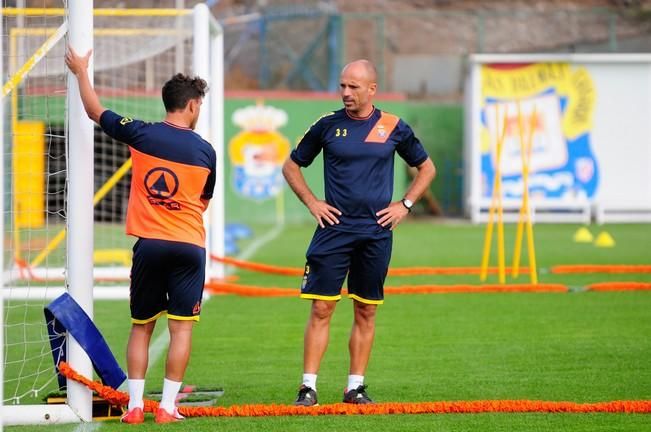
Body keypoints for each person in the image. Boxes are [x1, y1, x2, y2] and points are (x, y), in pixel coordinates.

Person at [65, 47, 216, 424]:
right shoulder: (207, 152)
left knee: (142, 326)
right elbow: (203, 201)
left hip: (148, 244)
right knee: (181, 329)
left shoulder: (142, 134)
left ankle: (133, 407)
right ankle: (167, 408)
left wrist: (81, 71)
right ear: (194, 106)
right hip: (188, 245)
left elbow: (95, 112)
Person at [282, 59, 436, 406]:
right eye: (342, 86)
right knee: (322, 308)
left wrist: (405, 205)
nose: (346, 93)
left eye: (353, 87)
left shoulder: (394, 126)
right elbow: (291, 165)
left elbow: (426, 168)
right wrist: (312, 202)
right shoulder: (325, 125)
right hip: (333, 231)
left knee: (366, 310)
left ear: (372, 89)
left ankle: (356, 387)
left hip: (376, 234)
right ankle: (308, 388)